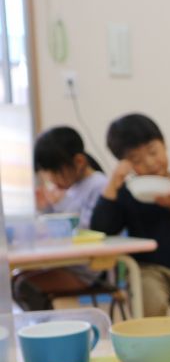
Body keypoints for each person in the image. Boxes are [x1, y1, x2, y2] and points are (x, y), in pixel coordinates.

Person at [90, 113, 170, 324]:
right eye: (136, 160)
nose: (149, 162)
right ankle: (157, 351)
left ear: (164, 144)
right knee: (151, 301)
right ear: (125, 164)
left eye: (153, 151)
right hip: (148, 270)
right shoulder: (128, 194)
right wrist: (113, 184)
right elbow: (102, 231)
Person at [12, 127, 110, 311]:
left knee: (22, 284)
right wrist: (46, 207)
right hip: (69, 264)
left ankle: (47, 327)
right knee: (16, 278)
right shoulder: (73, 189)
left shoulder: (99, 185)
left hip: (89, 271)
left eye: (55, 173)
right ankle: (45, 325)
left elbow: (89, 228)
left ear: (79, 162)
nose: (51, 179)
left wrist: (57, 204)